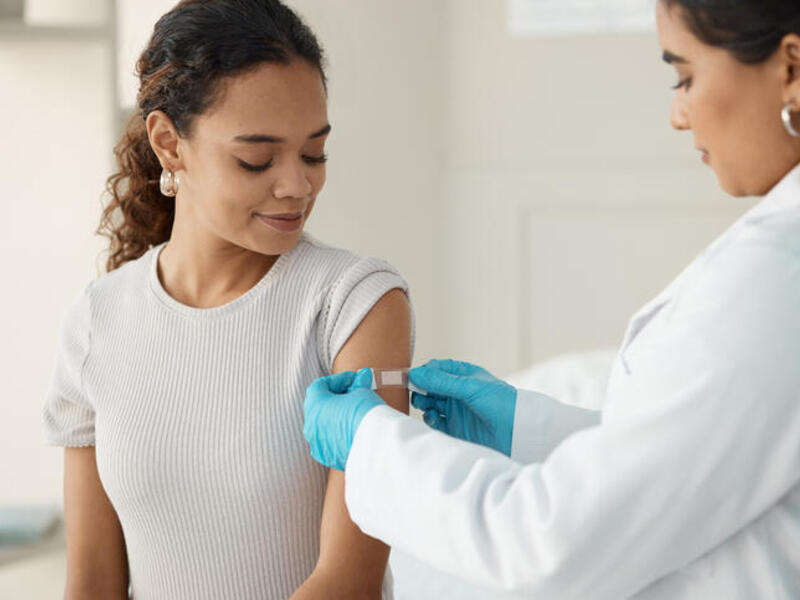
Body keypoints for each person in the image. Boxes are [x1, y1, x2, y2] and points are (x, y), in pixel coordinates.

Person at [302, 1, 800, 597]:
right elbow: (699, 466)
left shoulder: (776, 278)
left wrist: (372, 448)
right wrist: (528, 432)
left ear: (792, 67)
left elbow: (554, 540)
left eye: (685, 76)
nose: (678, 114)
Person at [43, 1, 412, 598]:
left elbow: (348, 581)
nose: (297, 185)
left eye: (314, 153)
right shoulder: (97, 322)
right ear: (169, 144)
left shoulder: (354, 306)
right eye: (256, 159)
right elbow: (91, 584)